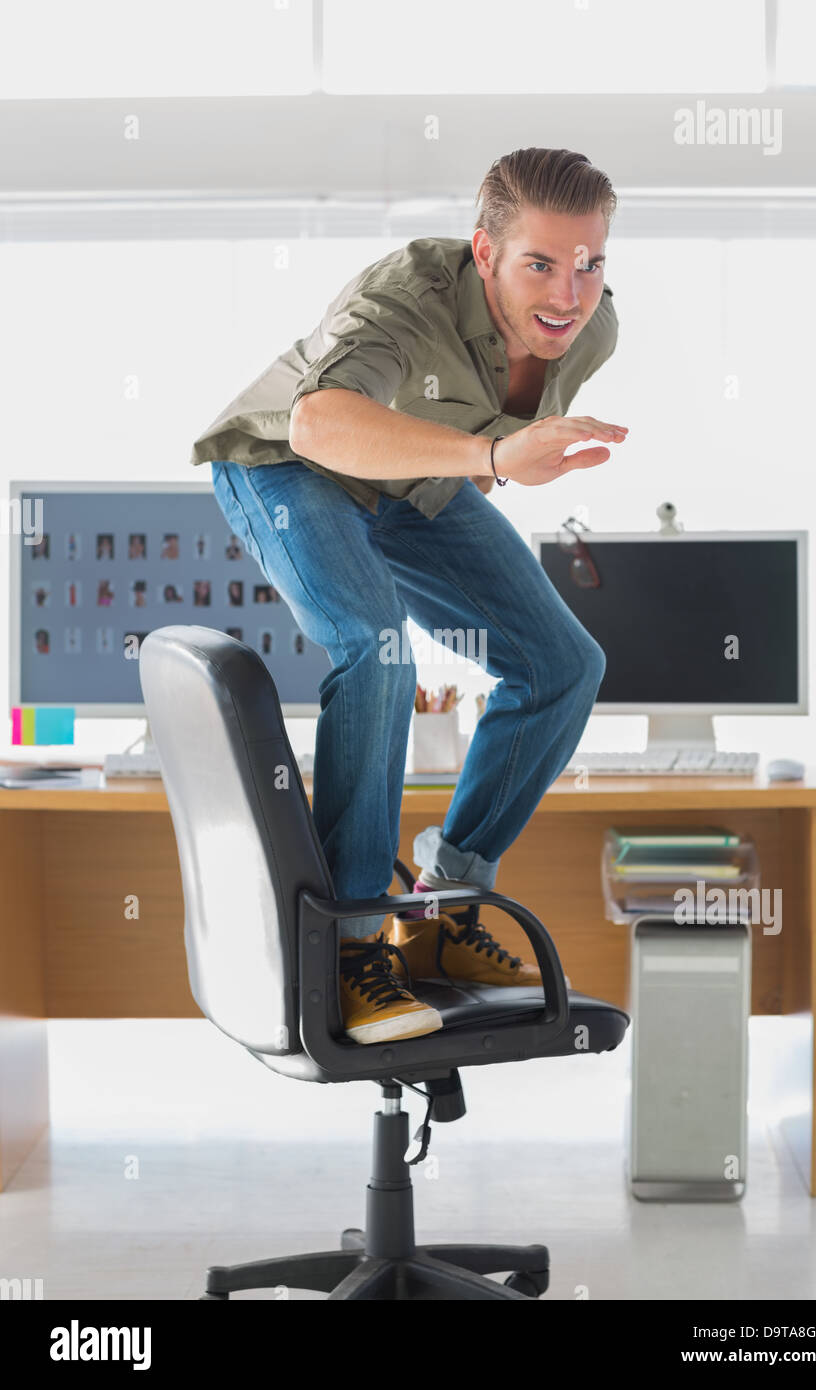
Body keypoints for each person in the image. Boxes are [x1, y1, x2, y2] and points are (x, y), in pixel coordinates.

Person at [190, 148, 628, 1045]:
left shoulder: (591, 330)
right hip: (291, 469)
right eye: (539, 263)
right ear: (483, 253)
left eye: (589, 263)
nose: (569, 292)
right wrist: (499, 459)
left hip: (417, 486)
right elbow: (319, 421)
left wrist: (494, 458)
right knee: (376, 646)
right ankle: (351, 944)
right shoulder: (401, 299)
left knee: (562, 665)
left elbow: (493, 429)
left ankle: (440, 910)